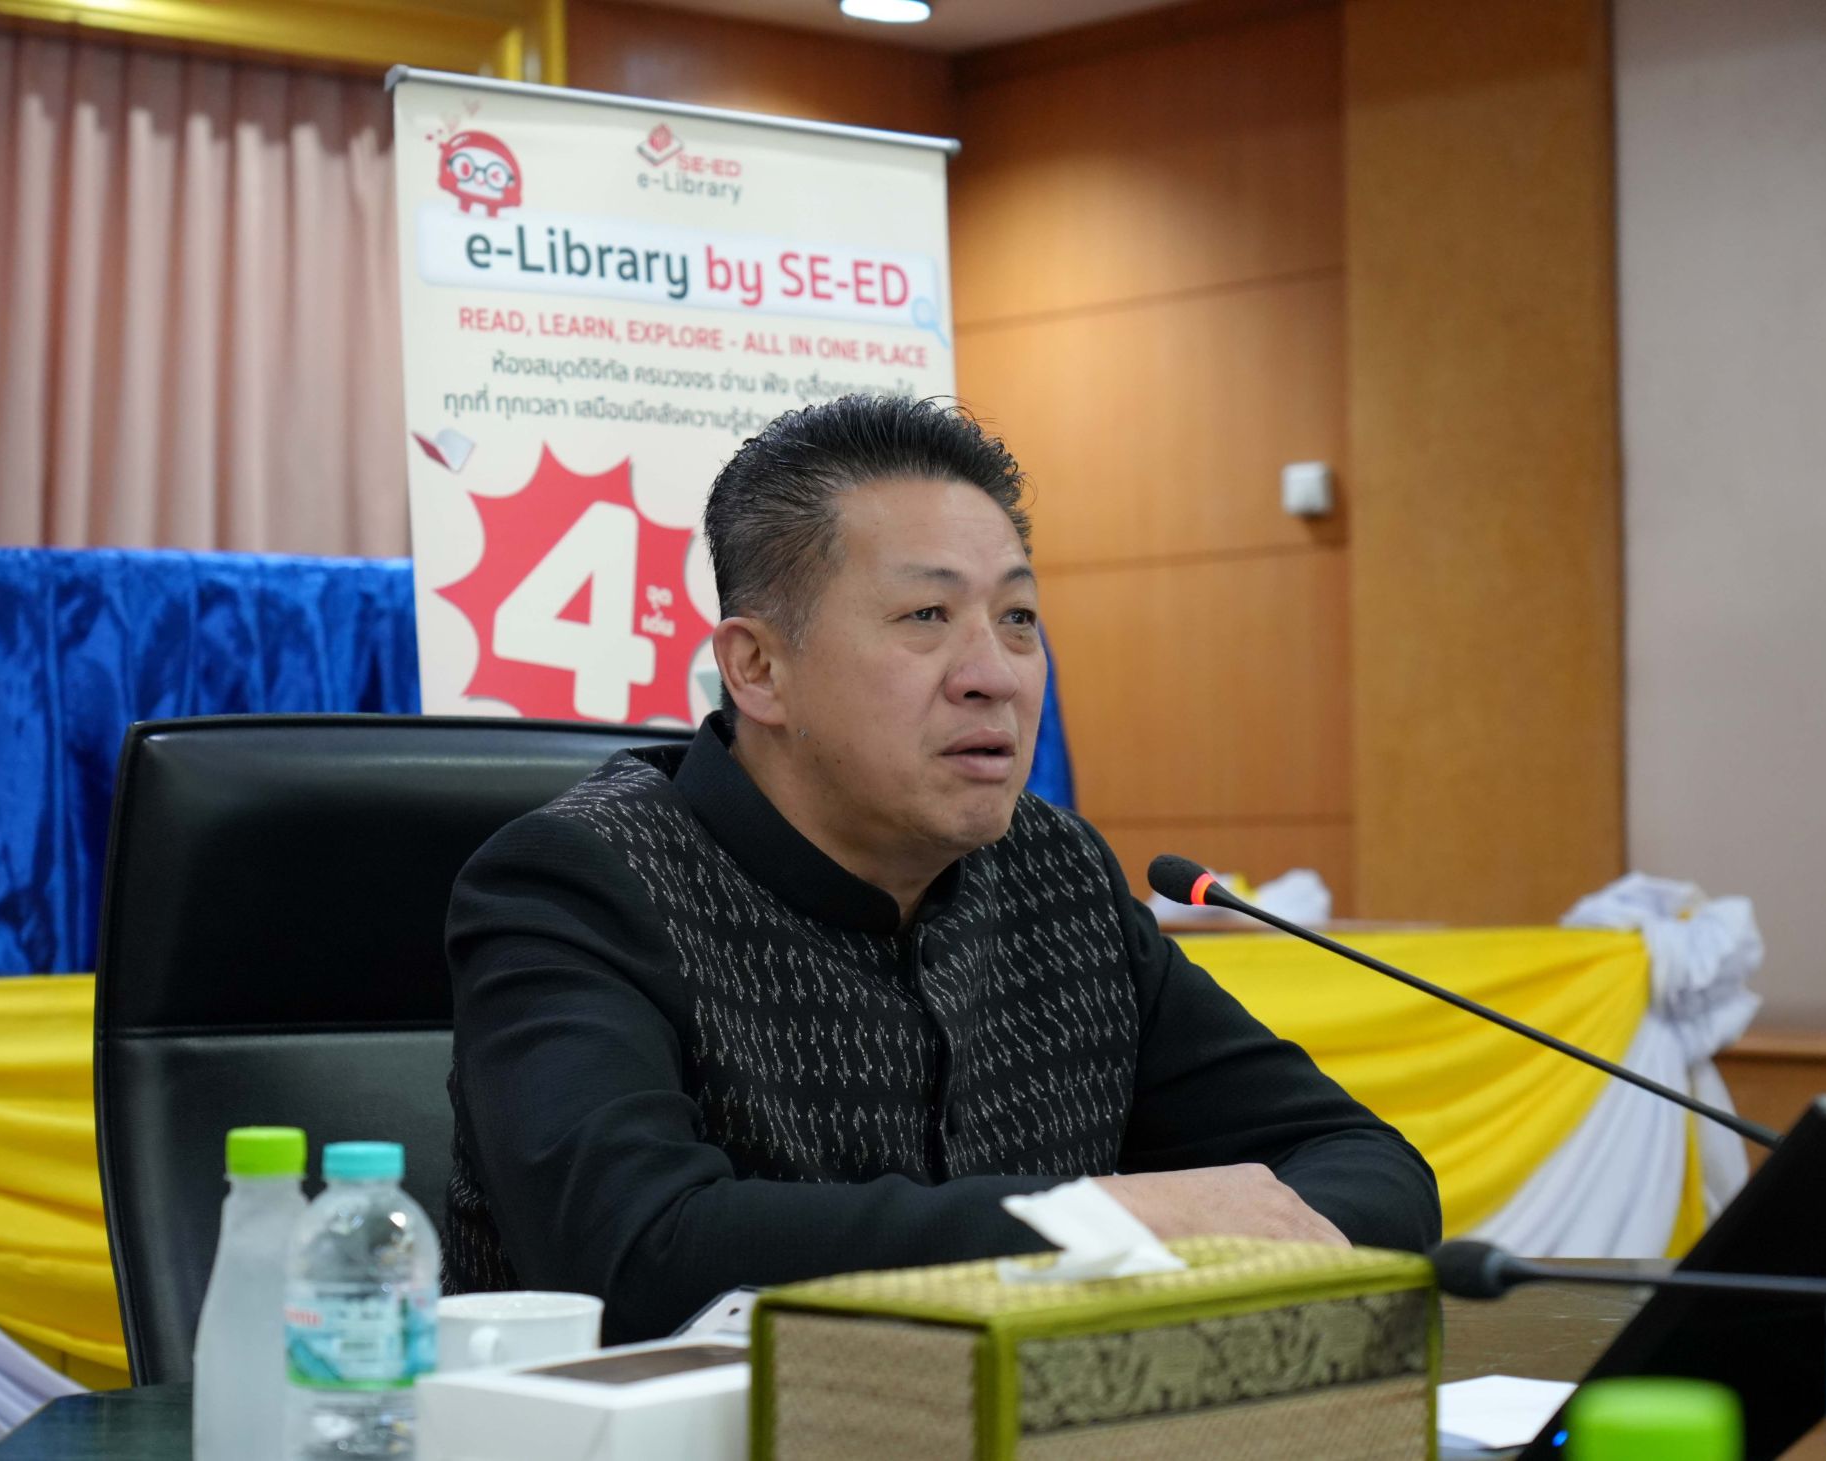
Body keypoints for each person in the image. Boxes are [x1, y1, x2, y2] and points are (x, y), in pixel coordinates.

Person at [444, 394, 1440, 1343]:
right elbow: (635, 1253)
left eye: (1018, 619)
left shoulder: (1058, 876)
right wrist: (1098, 1224)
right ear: (757, 669)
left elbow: (1366, 1167)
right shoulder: (580, 881)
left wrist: (1205, 1244)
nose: (994, 674)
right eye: (927, 616)